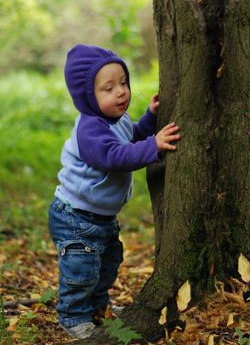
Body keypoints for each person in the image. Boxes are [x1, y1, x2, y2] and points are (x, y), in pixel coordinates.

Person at [48, 44, 181, 339]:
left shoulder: (114, 119)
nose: (120, 92)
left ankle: (98, 306)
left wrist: (150, 120)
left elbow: (130, 135)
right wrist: (153, 146)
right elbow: (114, 157)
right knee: (81, 269)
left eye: (123, 83)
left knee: (107, 264)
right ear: (88, 98)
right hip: (76, 217)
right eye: (108, 89)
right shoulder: (90, 129)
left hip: (101, 216)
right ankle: (72, 315)